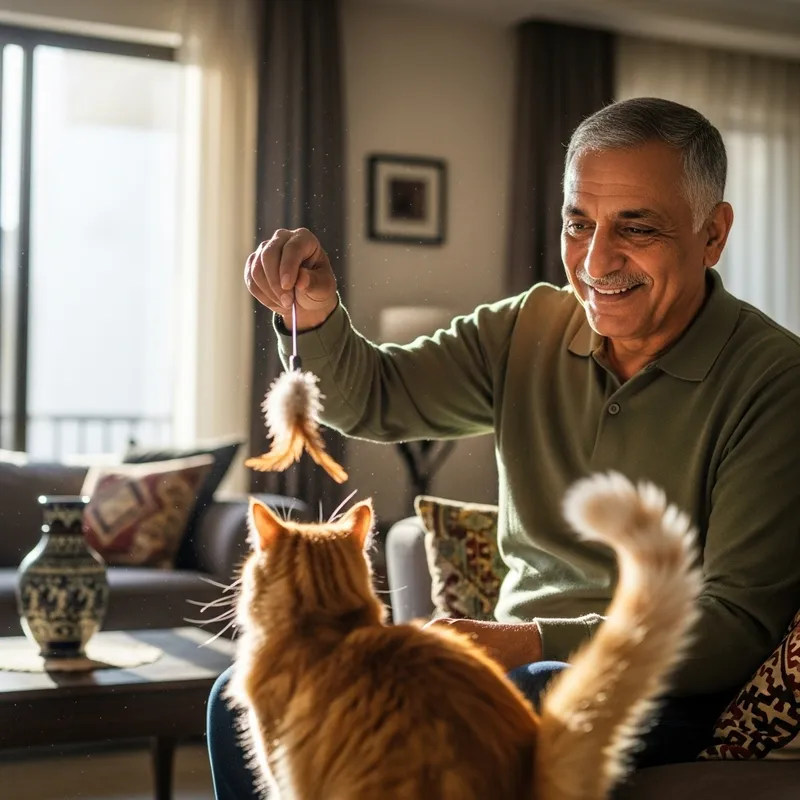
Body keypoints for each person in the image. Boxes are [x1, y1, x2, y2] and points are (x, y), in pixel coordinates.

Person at [207, 97, 800, 799]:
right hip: (517, 668)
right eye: (578, 224)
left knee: (519, 698)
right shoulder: (526, 328)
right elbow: (374, 397)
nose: (596, 260)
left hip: (660, 690)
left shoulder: (775, 381)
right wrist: (315, 316)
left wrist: (532, 641)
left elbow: (733, 628)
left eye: (636, 228)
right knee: (243, 695)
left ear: (713, 233)